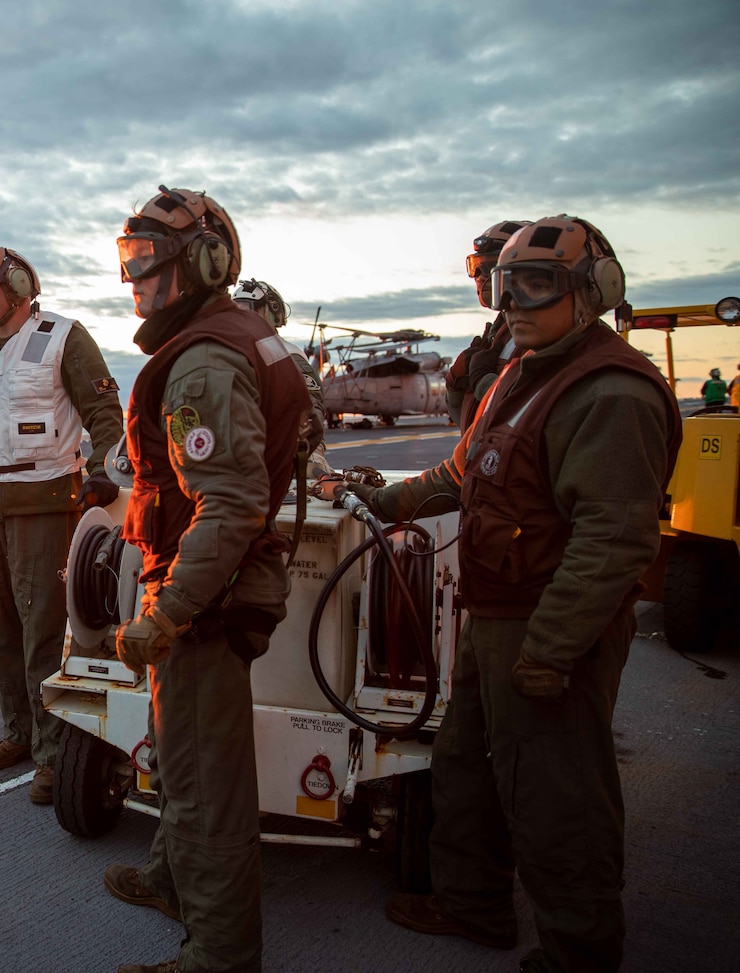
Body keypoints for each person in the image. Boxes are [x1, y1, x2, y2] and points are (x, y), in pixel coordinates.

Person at [330, 216, 680, 973]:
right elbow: (462, 471)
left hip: (549, 625)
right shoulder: (522, 373)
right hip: (492, 613)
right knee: (464, 764)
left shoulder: (609, 393)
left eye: (537, 285)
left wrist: (550, 651)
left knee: (558, 795)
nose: (514, 302)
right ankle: (473, 904)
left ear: (593, 292)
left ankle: (579, 950)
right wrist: (379, 501)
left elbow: (613, 541)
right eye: (502, 285)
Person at [102, 187, 310, 973]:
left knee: (201, 782)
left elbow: (227, 501)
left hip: (206, 600)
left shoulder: (204, 360)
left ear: (206, 263)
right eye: (129, 257)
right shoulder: (246, 337)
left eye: (150, 258)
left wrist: (166, 610)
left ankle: (220, 952)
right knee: (183, 753)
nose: (135, 277)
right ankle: (169, 878)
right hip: (224, 586)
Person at [0, 246, 124, 805]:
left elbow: (106, 414)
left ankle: (53, 753)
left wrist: (106, 469)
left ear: (15, 286)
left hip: (45, 499)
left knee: (43, 629)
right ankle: (18, 731)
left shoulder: (63, 335)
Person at [231, 277, 329, 475]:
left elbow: (312, 410)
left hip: (292, 453)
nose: (243, 317)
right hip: (247, 455)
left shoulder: (289, 355)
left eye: (249, 309)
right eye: (237, 310)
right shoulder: (231, 354)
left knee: (312, 471)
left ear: (268, 311)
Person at [446, 220, 532, 428]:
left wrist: (482, 379)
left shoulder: (541, 332)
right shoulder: (501, 331)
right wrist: (455, 386)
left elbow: (528, 414)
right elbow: (473, 425)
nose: (482, 277)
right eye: (477, 267)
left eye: (491, 266)